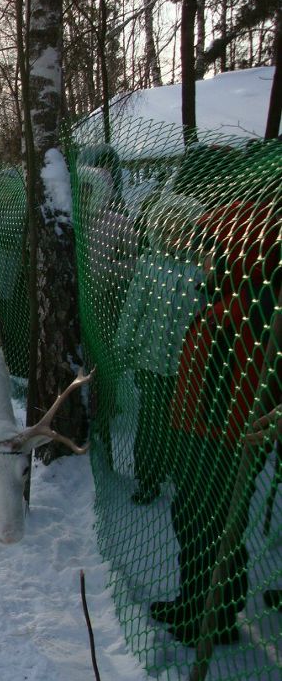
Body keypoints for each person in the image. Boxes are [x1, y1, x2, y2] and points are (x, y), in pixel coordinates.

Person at [151, 189, 280, 647]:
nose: (203, 259)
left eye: (212, 251)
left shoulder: (244, 313)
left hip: (219, 442)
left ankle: (212, 618)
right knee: (197, 521)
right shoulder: (235, 302)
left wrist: (197, 431)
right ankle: (197, 604)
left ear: (237, 255)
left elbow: (224, 391)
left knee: (209, 525)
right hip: (209, 436)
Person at [113, 192, 205, 505]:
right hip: (150, 359)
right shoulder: (149, 264)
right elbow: (133, 307)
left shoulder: (201, 271)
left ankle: (180, 472)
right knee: (152, 420)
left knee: (182, 422)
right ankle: (148, 477)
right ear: (158, 231)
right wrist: (124, 342)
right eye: (168, 230)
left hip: (188, 362)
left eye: (182, 231)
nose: (175, 237)